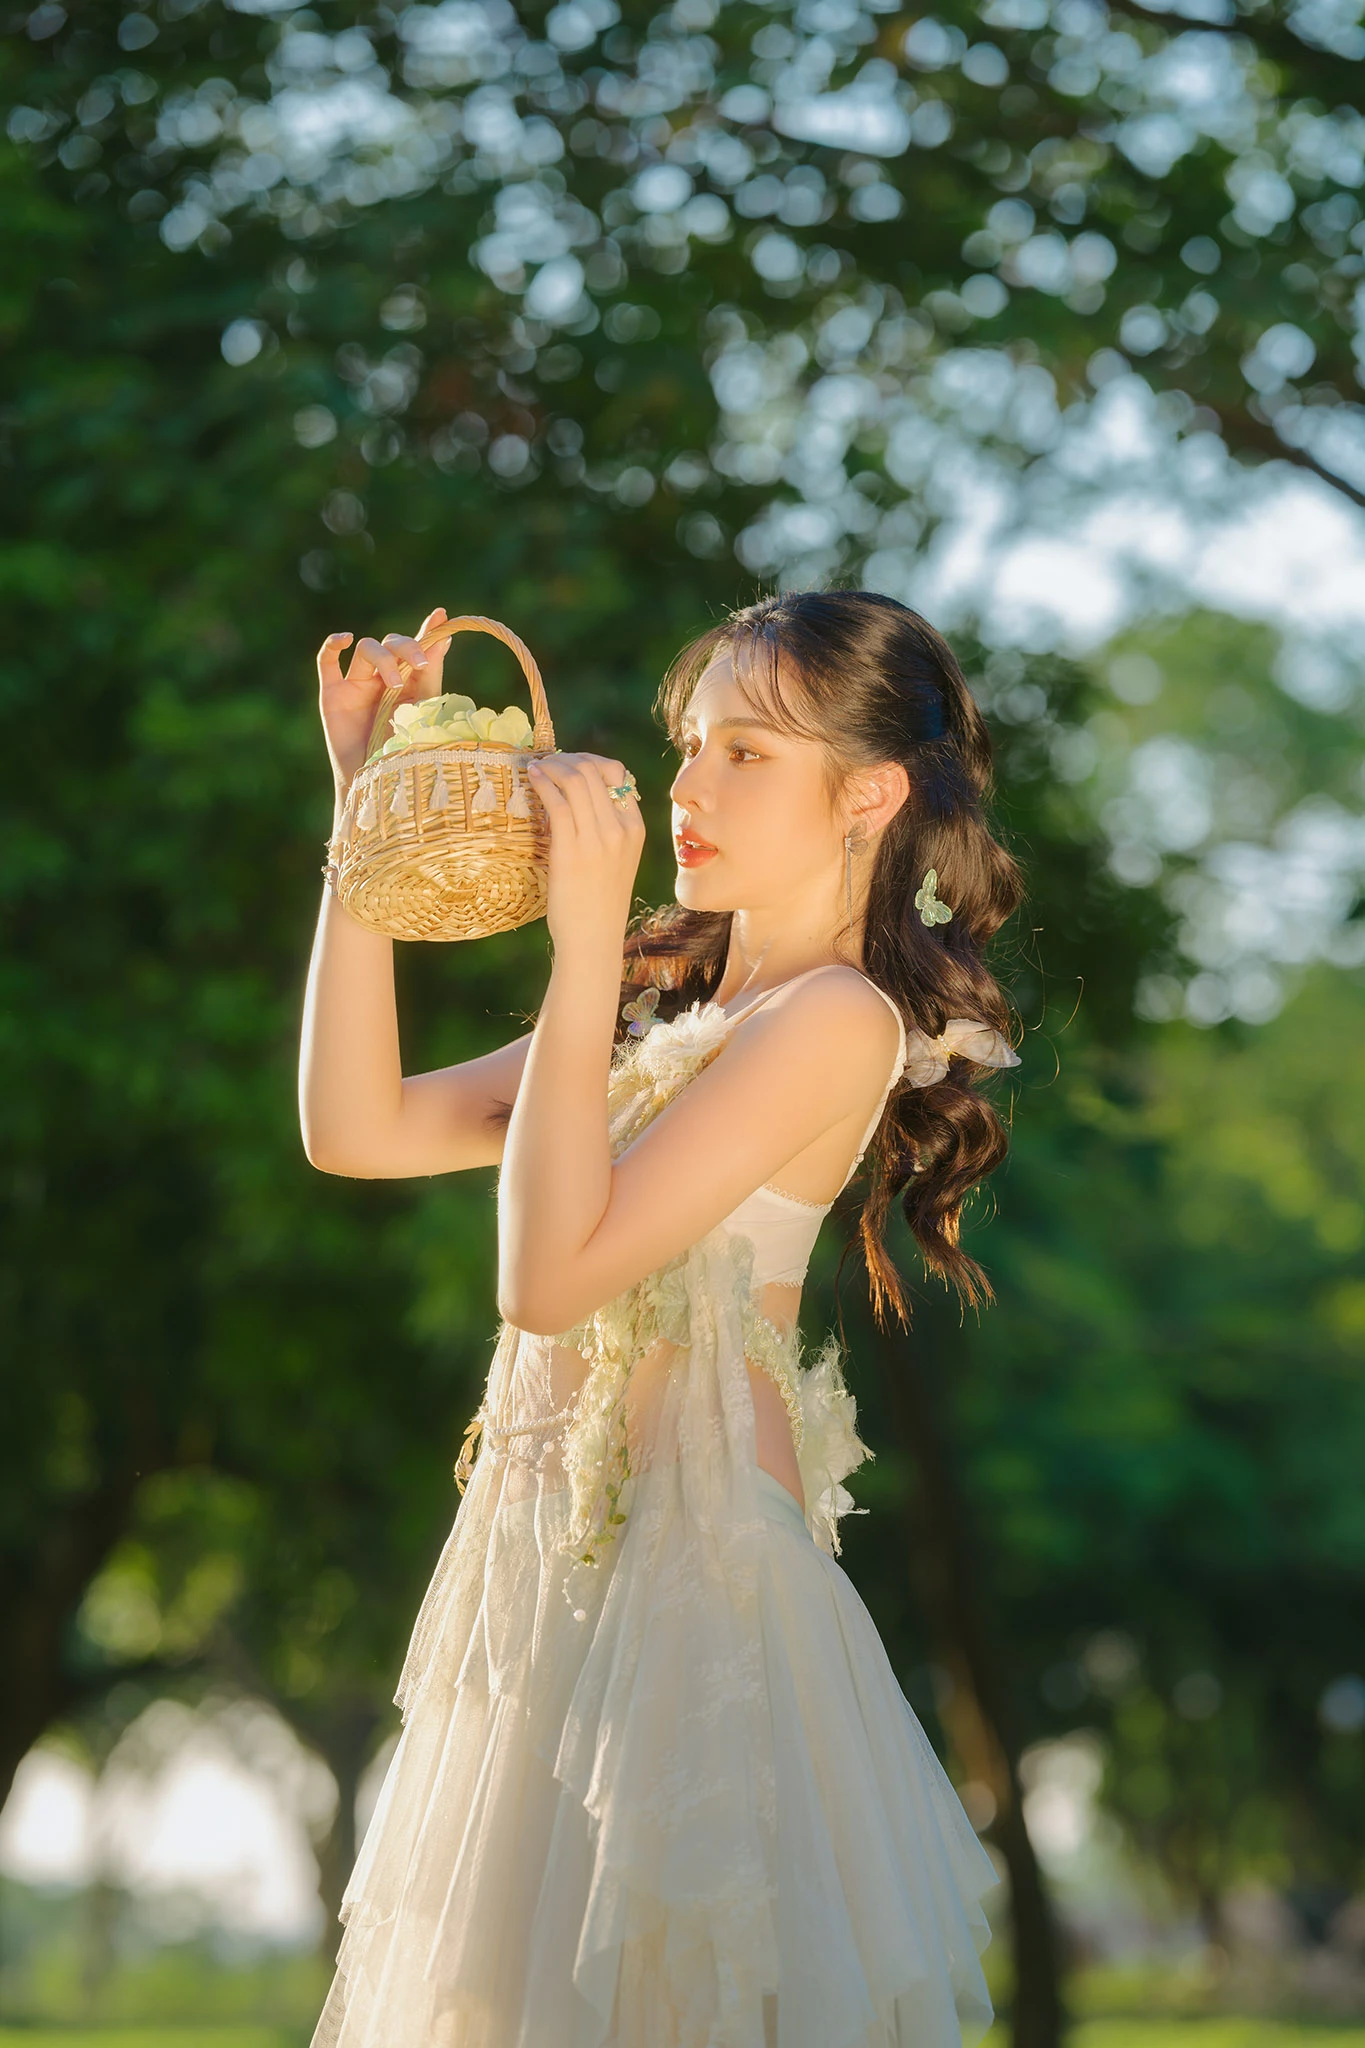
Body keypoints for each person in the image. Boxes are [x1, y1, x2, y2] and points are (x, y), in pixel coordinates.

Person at [299, 589, 1023, 2048]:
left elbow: (548, 1279)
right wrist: (365, 813)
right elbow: (355, 1128)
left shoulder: (836, 1020)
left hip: (697, 1604)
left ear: (870, 794)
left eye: (747, 753)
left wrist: (582, 952)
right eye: (691, 744)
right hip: (551, 1595)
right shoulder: (659, 1018)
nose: (688, 786)